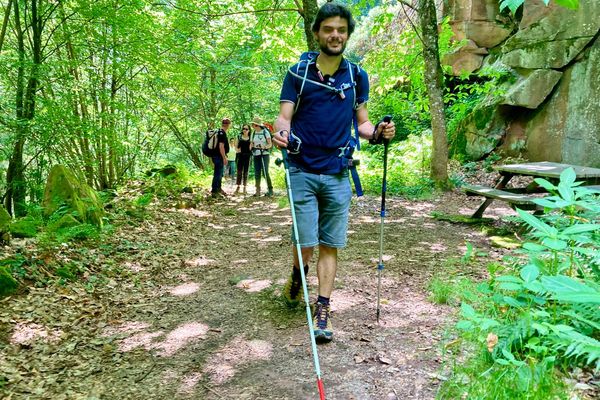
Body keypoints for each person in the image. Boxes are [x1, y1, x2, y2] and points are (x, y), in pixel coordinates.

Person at [272, 2, 395, 342]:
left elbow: (364, 123)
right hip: (301, 169)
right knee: (306, 242)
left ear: (348, 34)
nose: (335, 35)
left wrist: (378, 132)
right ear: (317, 33)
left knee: (330, 243)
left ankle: (322, 308)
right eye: (328, 29)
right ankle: (299, 274)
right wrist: (280, 132)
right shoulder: (298, 74)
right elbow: (284, 117)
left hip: (339, 171)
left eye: (341, 29)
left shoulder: (357, 76)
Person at [250, 117, 274, 197]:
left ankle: (270, 190)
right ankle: (257, 191)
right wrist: (251, 146)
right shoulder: (253, 133)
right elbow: (251, 143)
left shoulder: (265, 132)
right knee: (257, 173)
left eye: (253, 124)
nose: (252, 125)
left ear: (256, 125)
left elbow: (270, 144)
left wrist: (265, 147)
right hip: (256, 154)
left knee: (265, 172)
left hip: (264, 154)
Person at [211, 117, 231, 198]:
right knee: (218, 173)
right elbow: (221, 146)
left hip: (216, 156)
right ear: (228, 125)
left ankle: (218, 188)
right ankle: (215, 191)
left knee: (219, 173)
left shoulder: (219, 132)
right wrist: (224, 157)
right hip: (218, 156)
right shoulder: (222, 133)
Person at [235, 124, 252, 195]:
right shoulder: (239, 136)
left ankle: (245, 187)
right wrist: (237, 150)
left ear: (249, 130)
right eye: (243, 129)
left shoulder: (251, 137)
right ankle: (238, 186)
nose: (244, 130)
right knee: (239, 171)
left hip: (248, 156)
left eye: (246, 129)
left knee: (246, 171)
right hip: (240, 156)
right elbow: (236, 146)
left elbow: (251, 147)